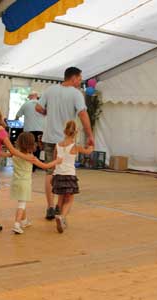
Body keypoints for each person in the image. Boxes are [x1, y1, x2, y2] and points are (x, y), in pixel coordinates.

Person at [35, 67, 94, 220]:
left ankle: (49, 206)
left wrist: (47, 113)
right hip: (67, 141)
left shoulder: (50, 90)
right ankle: (60, 207)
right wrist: (90, 135)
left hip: (49, 138)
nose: (80, 82)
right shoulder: (76, 94)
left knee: (50, 172)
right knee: (66, 171)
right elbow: (82, 114)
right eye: (80, 79)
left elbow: (38, 107)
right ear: (73, 78)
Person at [11, 132, 62, 234]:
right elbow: (45, 166)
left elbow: (6, 153)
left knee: (22, 201)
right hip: (24, 184)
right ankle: (16, 224)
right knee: (22, 204)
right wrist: (56, 161)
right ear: (30, 144)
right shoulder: (31, 157)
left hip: (15, 182)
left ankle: (24, 221)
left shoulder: (15, 154)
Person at [53, 120, 93, 233]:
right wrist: (91, 145)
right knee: (70, 199)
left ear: (64, 131)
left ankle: (59, 215)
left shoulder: (57, 145)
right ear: (75, 133)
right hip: (69, 176)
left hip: (58, 175)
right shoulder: (76, 146)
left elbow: (54, 160)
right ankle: (62, 217)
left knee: (61, 197)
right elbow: (88, 152)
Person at [15, 91, 45, 171]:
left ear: (30, 96)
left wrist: (16, 121)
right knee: (37, 147)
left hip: (28, 130)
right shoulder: (41, 105)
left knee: (27, 147)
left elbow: (17, 116)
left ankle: (28, 164)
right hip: (40, 130)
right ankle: (35, 166)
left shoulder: (26, 104)